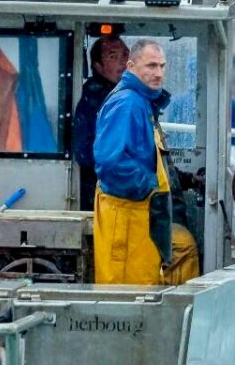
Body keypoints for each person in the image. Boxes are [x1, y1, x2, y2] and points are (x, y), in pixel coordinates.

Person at [93, 39, 199, 285]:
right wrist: (150, 186)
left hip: (141, 217)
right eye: (151, 66)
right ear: (131, 66)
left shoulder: (141, 103)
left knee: (146, 285)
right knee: (126, 297)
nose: (158, 73)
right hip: (127, 216)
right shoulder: (127, 104)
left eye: (162, 66)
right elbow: (110, 164)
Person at [73, 36, 129, 210]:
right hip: (103, 198)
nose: (124, 62)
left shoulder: (129, 96)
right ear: (98, 66)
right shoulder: (94, 101)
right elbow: (84, 152)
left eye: (126, 55)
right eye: (113, 57)